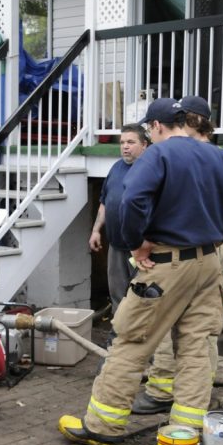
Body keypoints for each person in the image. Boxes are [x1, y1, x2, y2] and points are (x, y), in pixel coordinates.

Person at [58, 98, 223, 445]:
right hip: (210, 263)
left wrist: (136, 242)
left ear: (156, 127)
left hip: (167, 265)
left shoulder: (159, 154)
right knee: (198, 346)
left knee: (131, 340)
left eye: (148, 131)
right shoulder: (219, 156)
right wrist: (222, 234)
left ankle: (102, 427)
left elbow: (131, 200)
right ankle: (185, 434)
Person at [132, 95, 223, 414]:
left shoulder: (188, 156)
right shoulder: (216, 158)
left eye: (184, 118)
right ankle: (194, 393)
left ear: (195, 121)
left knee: (174, 320)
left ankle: (165, 389)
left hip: (182, 254)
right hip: (209, 250)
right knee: (200, 329)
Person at [89, 124, 149, 314]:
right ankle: (118, 337)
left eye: (131, 142)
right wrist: (96, 230)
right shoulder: (116, 167)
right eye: (122, 142)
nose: (125, 146)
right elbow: (105, 201)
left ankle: (139, 340)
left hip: (143, 249)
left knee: (142, 298)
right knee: (117, 295)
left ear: (145, 145)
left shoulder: (151, 170)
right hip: (116, 246)